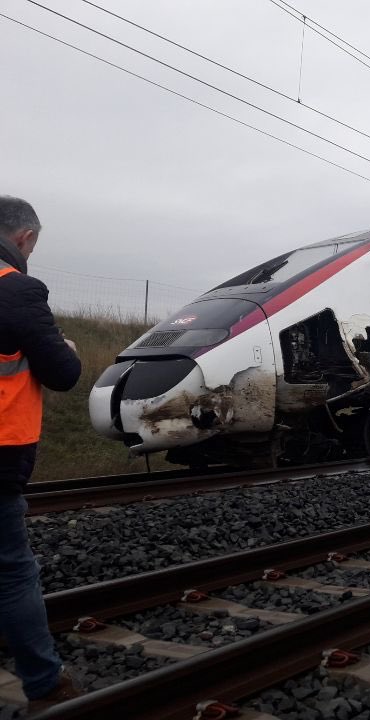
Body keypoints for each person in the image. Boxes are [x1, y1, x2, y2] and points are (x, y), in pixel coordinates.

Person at [0, 196, 83, 711]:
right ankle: (45, 685)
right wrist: (69, 351)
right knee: (12, 570)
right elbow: (63, 374)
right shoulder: (16, 290)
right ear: (25, 238)